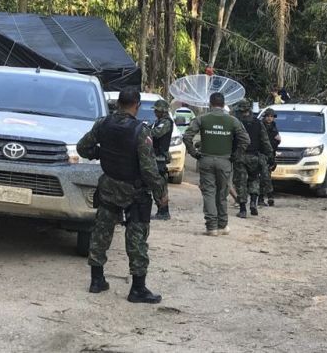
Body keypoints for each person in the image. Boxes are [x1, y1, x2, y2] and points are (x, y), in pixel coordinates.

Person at [76, 88, 169, 303]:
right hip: (134, 191)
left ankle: (96, 280)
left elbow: (83, 148)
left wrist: (100, 153)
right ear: (136, 104)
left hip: (108, 185)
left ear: (118, 103)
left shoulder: (103, 124)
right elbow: (148, 169)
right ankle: (137, 289)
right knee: (136, 239)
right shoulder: (140, 130)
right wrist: (161, 194)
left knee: (101, 232)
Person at [183, 92, 249, 235]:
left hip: (206, 160)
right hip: (225, 161)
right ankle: (222, 225)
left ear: (210, 104)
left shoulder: (201, 119)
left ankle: (211, 227)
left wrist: (194, 153)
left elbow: (187, 136)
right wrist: (236, 155)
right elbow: (245, 140)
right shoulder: (232, 120)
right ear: (223, 104)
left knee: (209, 193)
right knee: (222, 193)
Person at [233, 99, 273, 218]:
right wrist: (270, 156)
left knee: (241, 182)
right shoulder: (258, 123)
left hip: (240, 156)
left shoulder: (236, 123)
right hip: (254, 156)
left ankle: (242, 209)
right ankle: (253, 203)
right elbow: (265, 141)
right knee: (254, 180)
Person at [148, 99, 173, 220]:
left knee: (160, 186)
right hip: (156, 157)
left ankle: (163, 211)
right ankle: (161, 210)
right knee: (157, 185)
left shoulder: (166, 122)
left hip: (160, 158)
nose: (155, 113)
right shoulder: (159, 121)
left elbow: (156, 133)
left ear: (162, 111)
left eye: (157, 111)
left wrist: (145, 131)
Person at [260, 108, 281, 206]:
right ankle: (266, 197)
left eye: (271, 116)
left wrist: (278, 140)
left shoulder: (273, 126)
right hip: (261, 153)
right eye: (268, 116)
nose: (269, 118)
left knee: (266, 176)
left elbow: (276, 140)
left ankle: (267, 197)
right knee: (263, 177)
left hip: (270, 154)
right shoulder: (261, 126)